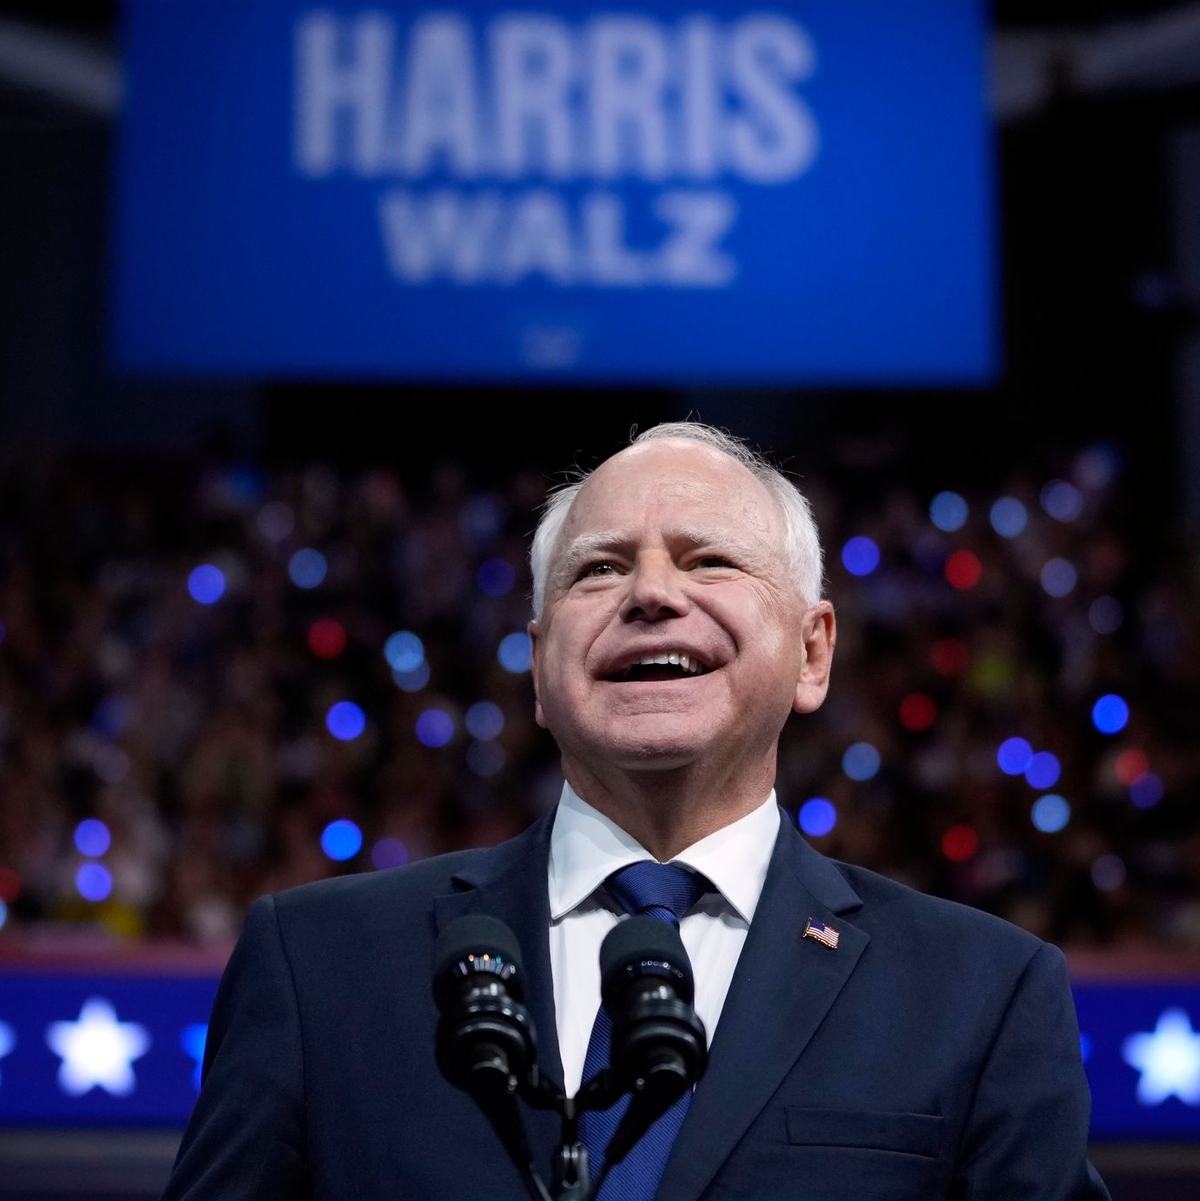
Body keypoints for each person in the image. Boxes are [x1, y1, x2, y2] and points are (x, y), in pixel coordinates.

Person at [162, 423, 1109, 1201]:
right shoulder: (318, 962)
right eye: (599, 570)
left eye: (710, 559)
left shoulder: (981, 993)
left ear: (813, 653)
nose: (653, 593)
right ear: (538, 665)